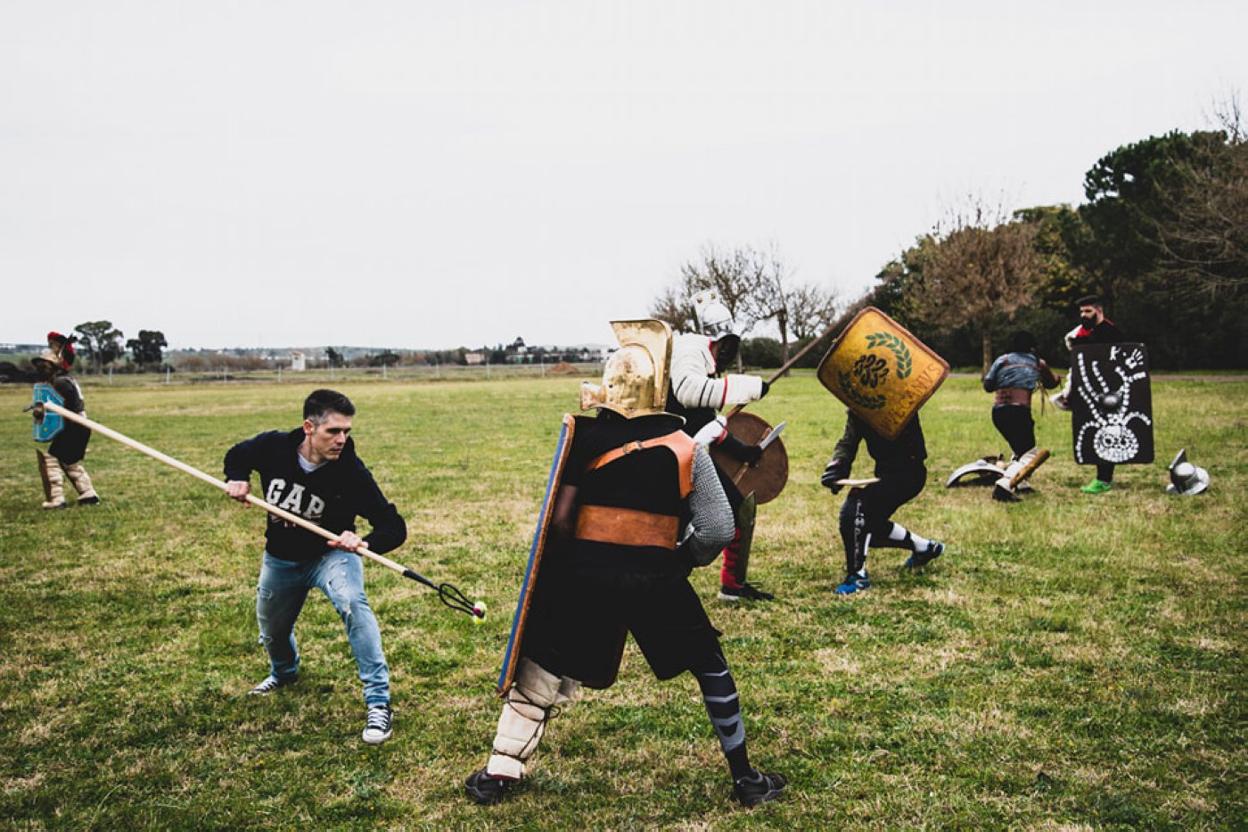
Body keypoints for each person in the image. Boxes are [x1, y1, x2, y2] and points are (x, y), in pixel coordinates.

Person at [465, 321, 786, 808]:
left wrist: (574, 567)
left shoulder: (585, 441)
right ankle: (745, 778)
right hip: (656, 578)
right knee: (710, 668)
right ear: (659, 390)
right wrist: (681, 560)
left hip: (585, 573)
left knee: (540, 670)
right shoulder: (686, 448)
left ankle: (498, 773)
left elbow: (561, 520)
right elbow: (719, 528)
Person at [224, 389, 406, 744]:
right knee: (272, 630)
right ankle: (284, 672)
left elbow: (393, 525)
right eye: (333, 432)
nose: (342, 440)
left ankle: (379, 703)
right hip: (280, 558)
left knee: (353, 603)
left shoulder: (350, 471)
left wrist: (364, 542)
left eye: (347, 432)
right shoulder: (273, 446)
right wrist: (237, 476)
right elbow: (237, 455)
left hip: (331, 556)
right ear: (309, 427)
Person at [667, 289, 774, 602]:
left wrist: (744, 451)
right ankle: (672, 578)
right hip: (672, 454)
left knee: (739, 509)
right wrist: (748, 386)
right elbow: (689, 393)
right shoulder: (689, 350)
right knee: (687, 527)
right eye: (725, 344)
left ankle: (732, 585)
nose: (727, 353)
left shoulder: (705, 360)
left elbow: (705, 422)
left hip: (691, 451)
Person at [820, 410, 944, 594]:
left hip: (909, 474)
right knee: (867, 529)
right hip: (887, 473)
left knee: (855, 510)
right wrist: (838, 465)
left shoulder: (900, 400)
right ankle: (925, 548)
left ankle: (857, 576)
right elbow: (848, 442)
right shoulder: (860, 409)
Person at [981, 331, 1060, 501]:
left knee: (1020, 449)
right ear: (1032, 346)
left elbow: (988, 385)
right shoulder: (1037, 362)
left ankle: (1021, 483)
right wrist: (1057, 378)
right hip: (1019, 411)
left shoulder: (1002, 360)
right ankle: (1005, 485)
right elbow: (1051, 383)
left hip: (998, 412)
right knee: (1030, 454)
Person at [1059, 295, 1126, 494]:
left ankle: (1104, 479)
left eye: (1087, 311)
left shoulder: (1109, 332)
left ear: (1099, 310)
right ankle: (1103, 477)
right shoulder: (1085, 332)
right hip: (1091, 391)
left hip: (1108, 392)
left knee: (1106, 431)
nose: (1083, 315)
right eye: (1081, 312)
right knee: (1095, 431)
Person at [32, 337, 100, 509]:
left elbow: (56, 406)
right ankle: (88, 493)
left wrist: (42, 410)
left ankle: (56, 499)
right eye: (40, 366)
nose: (41, 369)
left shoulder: (60, 382)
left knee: (51, 459)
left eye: (45, 366)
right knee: (67, 460)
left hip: (73, 424)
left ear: (53, 367)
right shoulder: (63, 380)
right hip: (77, 425)